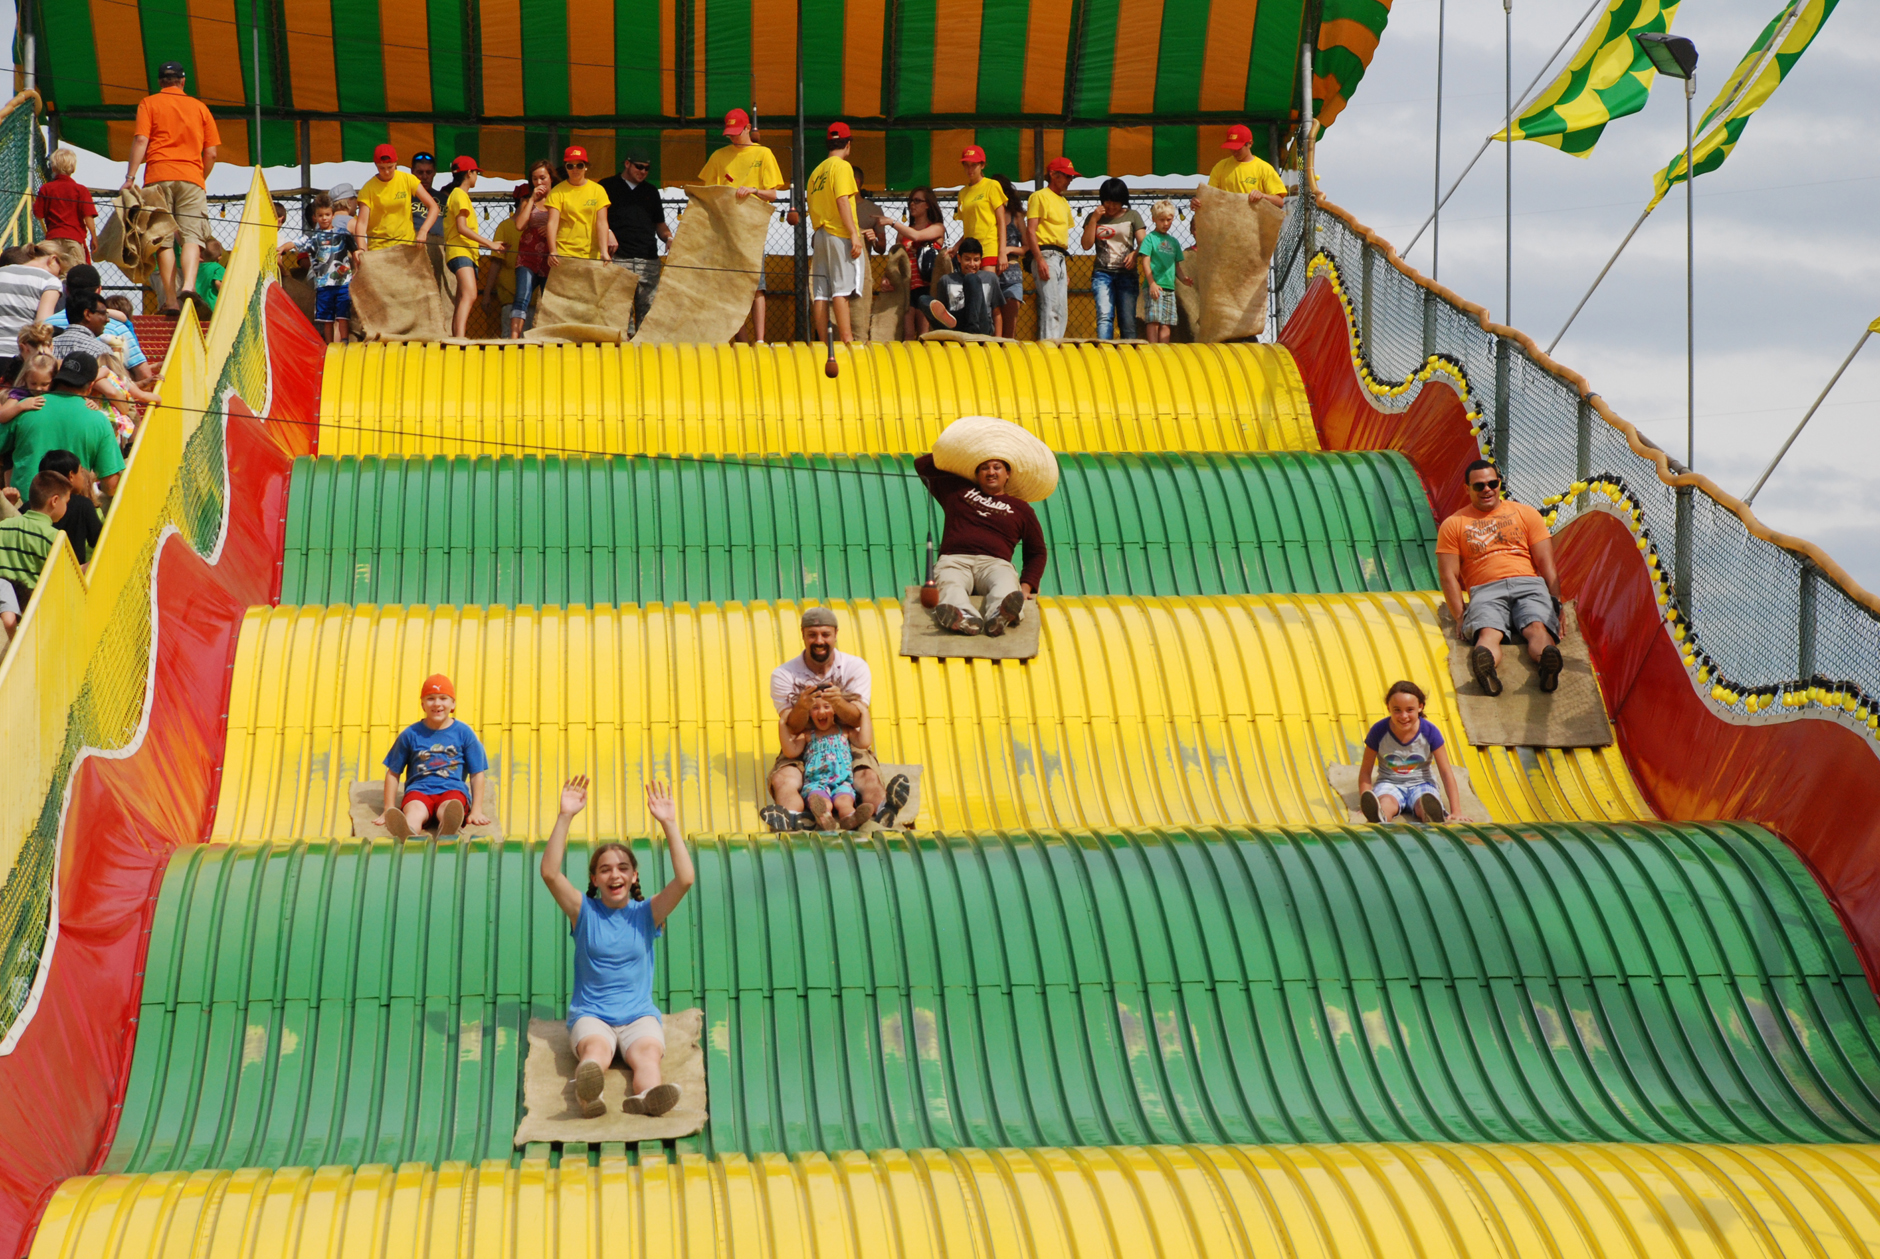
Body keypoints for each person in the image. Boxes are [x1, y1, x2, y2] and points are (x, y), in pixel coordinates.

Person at [540, 774, 695, 1118]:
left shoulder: (647, 913)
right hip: (593, 1016)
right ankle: (587, 1093)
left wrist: (669, 823)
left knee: (648, 1056)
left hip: (638, 1016)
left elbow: (685, 879)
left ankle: (649, 1096)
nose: (615, 875)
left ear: (634, 876)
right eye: (606, 870)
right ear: (595, 879)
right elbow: (550, 873)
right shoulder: (583, 912)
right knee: (596, 1051)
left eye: (623, 868)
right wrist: (565, 815)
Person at [764, 608, 906, 831]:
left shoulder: (855, 667)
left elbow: (858, 720)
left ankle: (883, 813)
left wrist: (839, 703)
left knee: (868, 777)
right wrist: (802, 707)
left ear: (836, 634)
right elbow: (791, 726)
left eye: (825, 634)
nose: (819, 641)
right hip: (805, 742)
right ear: (803, 635)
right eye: (812, 635)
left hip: (844, 741)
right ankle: (793, 819)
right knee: (784, 779)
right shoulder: (783, 674)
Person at [1437, 460, 1565, 695]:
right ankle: (1486, 667)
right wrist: (1459, 616)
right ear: (1467, 489)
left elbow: (1546, 562)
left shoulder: (1525, 513)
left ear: (1499, 484)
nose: (1486, 489)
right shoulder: (1454, 524)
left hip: (1528, 583)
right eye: (1478, 486)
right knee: (1488, 631)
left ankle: (1548, 664)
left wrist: (1556, 601)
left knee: (1537, 626)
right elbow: (1448, 575)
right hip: (1486, 589)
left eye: (1492, 483)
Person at [122, 62, 220, 316]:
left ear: (160, 82)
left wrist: (131, 176)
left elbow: (141, 139)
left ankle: (170, 299)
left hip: (157, 177)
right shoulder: (200, 108)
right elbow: (211, 152)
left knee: (163, 239)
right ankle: (188, 286)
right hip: (191, 178)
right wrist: (199, 176)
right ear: (183, 81)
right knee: (192, 237)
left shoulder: (148, 103)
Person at [914, 452, 1047, 636]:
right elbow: (922, 464)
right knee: (949, 583)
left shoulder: (1021, 508)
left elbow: (1037, 551)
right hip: (955, 560)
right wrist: (965, 449)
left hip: (994, 564)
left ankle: (1000, 614)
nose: (990, 472)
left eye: (996, 467)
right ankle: (963, 617)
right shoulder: (957, 491)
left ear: (1008, 474)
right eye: (984, 468)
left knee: (1005, 581)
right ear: (977, 474)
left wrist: (1026, 587)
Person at [699, 111, 787, 343]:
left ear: (748, 128)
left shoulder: (763, 153)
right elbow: (708, 194)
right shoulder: (719, 156)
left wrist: (754, 190)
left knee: (757, 287)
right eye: (730, 135)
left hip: (751, 231)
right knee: (729, 288)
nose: (733, 138)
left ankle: (759, 340)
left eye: (737, 133)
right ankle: (740, 339)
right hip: (725, 232)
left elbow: (773, 194)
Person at [376, 672, 494, 839]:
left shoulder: (464, 733)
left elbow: (477, 773)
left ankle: (447, 826)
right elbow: (393, 772)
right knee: (414, 810)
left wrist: (476, 810)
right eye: (430, 698)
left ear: (453, 704)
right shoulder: (410, 734)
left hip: (452, 789)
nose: (437, 703)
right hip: (419, 790)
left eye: (443, 698)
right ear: (423, 704)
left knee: (449, 808)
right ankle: (408, 831)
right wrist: (388, 808)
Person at [0, 352, 125, 496]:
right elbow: (111, 486)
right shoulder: (99, 420)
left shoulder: (24, 408)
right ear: (90, 386)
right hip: (74, 509)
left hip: (26, 507)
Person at [1358, 680, 1466, 824]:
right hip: (1390, 782)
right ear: (1389, 708)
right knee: (1386, 802)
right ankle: (1380, 816)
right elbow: (1365, 771)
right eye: (1397, 710)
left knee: (1424, 802)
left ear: (1420, 707)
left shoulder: (1430, 732)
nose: (1403, 716)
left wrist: (1456, 811)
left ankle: (1431, 816)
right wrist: (1364, 799)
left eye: (1409, 710)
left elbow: (1446, 772)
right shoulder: (1378, 731)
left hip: (1421, 783)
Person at [601, 150, 672, 332]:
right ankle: (623, 350)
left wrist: (669, 238)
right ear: (627, 164)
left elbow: (660, 224)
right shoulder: (606, 186)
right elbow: (596, 219)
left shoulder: (651, 191)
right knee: (620, 309)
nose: (643, 171)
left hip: (648, 258)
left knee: (649, 311)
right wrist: (607, 231)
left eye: (647, 168)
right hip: (618, 257)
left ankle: (646, 351)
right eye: (639, 167)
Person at [807, 122, 864, 346]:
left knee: (820, 291)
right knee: (841, 289)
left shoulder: (815, 172)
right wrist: (853, 233)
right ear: (848, 145)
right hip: (838, 232)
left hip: (819, 233)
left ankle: (823, 343)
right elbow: (842, 201)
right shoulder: (842, 167)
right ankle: (848, 340)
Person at [47, 264, 154, 383]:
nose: (107, 319)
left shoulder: (46, 326)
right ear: (99, 290)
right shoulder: (116, 328)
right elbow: (144, 374)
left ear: (66, 290)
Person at [778, 690, 866, 830]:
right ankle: (825, 819)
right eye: (815, 708)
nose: (821, 712)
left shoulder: (844, 731)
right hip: (816, 782)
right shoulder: (807, 735)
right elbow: (791, 751)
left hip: (842, 781)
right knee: (823, 803)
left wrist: (864, 714)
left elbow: (864, 741)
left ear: (835, 710)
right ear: (809, 714)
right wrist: (782, 723)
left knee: (845, 802)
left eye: (827, 706)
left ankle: (850, 818)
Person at [441, 156, 506, 338]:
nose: (477, 176)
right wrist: (490, 244)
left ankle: (457, 335)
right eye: (476, 172)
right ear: (469, 173)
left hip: (463, 252)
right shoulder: (460, 195)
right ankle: (460, 337)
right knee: (470, 295)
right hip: (460, 251)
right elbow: (462, 228)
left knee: (463, 297)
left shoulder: (456, 195)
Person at [0, 470, 69, 635]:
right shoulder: (54, 537)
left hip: (5, 612)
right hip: (34, 615)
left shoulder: (3, 527)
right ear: (54, 501)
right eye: (67, 502)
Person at [1082, 177, 1145, 341]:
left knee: (1128, 321)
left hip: (1127, 274)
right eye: (1108, 201)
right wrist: (1094, 220)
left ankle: (1130, 356)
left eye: (1116, 202)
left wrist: (1135, 254)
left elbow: (1145, 243)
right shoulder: (1093, 217)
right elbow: (1086, 244)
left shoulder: (1133, 215)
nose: (1111, 206)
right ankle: (1105, 353)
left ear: (1123, 201)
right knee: (1104, 317)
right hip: (1102, 274)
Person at [881, 186, 944, 339]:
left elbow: (917, 236)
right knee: (907, 333)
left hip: (927, 288)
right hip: (908, 288)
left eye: (917, 201)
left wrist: (892, 222)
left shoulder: (937, 227)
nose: (912, 205)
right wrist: (886, 276)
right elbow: (895, 258)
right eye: (910, 201)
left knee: (925, 333)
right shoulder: (904, 232)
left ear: (928, 204)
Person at [1026, 158, 1078, 340]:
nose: (1070, 180)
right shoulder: (1039, 196)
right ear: (1054, 175)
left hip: (1060, 257)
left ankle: (1056, 343)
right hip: (1046, 253)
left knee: (1061, 309)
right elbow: (1031, 231)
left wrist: (1064, 269)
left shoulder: (1063, 201)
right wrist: (1039, 259)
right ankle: (1048, 348)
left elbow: (1062, 235)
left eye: (1072, 177)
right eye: (1067, 176)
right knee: (1051, 305)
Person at [354, 145, 440, 253]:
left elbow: (434, 207)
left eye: (390, 167)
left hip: (407, 247)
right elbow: (361, 223)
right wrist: (362, 248)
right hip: (379, 249)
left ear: (396, 163)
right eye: (382, 168)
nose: (386, 172)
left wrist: (423, 230)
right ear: (375, 165)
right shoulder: (368, 189)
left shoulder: (408, 179)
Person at [503, 161, 554, 338]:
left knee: (549, 301)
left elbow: (568, 223)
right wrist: (532, 199)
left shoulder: (559, 198)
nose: (539, 182)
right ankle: (514, 338)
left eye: (543, 178)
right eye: (535, 179)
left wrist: (551, 227)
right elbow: (519, 225)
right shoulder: (528, 201)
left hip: (550, 256)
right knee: (522, 296)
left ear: (550, 178)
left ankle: (549, 337)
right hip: (528, 255)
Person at [1193, 123, 1288, 215]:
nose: (1234, 151)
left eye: (1238, 148)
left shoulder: (1264, 168)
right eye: (1231, 147)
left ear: (1250, 144)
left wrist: (1262, 196)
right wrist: (1198, 203)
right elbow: (1210, 198)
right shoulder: (1220, 167)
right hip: (1227, 225)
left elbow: (1279, 202)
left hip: (1255, 227)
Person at [300, 193, 355, 343]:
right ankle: (329, 344)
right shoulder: (314, 238)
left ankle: (344, 341)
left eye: (327, 214)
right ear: (315, 217)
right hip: (324, 284)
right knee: (327, 319)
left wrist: (357, 270)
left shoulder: (342, 234)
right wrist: (283, 248)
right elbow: (297, 244)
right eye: (320, 215)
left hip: (342, 282)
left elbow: (355, 252)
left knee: (343, 316)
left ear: (333, 215)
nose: (324, 218)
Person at [546, 146, 613, 266]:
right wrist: (552, 251)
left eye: (580, 165)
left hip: (592, 254)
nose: (575, 169)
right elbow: (552, 223)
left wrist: (604, 251)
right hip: (565, 253)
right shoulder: (557, 191)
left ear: (586, 166)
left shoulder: (598, 190)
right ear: (565, 168)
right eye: (570, 166)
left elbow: (602, 223)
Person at [925, 237, 1002, 337]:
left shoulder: (990, 278)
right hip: (957, 322)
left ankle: (972, 331)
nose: (972, 264)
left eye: (976, 260)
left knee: (971, 279)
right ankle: (948, 331)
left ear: (981, 260)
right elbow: (941, 310)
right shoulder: (946, 280)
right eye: (967, 259)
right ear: (959, 258)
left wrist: (999, 341)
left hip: (981, 325)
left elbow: (997, 313)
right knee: (924, 300)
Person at [38, 450, 101, 565]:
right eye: (81, 472)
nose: (83, 477)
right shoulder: (83, 505)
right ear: (71, 476)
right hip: (73, 574)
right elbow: (100, 541)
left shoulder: (33, 505)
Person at [34, 149, 97, 261]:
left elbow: (39, 214)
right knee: (76, 274)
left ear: (53, 168)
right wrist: (94, 237)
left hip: (53, 238)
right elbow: (88, 216)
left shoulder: (46, 189)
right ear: (73, 168)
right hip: (74, 238)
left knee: (53, 272)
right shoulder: (81, 190)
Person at [954, 145, 1007, 277]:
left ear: (982, 165)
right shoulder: (963, 193)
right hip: (969, 250)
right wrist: (956, 247)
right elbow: (969, 226)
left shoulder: (992, 185)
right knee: (971, 291)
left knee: (986, 290)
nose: (969, 169)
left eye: (974, 165)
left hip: (988, 248)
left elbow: (1001, 221)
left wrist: (1002, 252)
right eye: (966, 165)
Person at [0, 244, 64, 345]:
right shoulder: (49, 281)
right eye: (60, 271)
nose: (58, 276)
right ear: (52, 259)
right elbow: (42, 327)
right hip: (21, 352)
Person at [193, 239, 226, 312]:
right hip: (212, 304)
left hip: (197, 305)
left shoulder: (196, 267)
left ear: (201, 255)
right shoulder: (218, 268)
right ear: (220, 257)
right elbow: (217, 283)